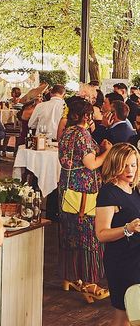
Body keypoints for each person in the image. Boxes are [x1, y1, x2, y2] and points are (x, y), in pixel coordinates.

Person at [58, 98, 111, 302]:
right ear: (86, 116)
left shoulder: (67, 133)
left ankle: (70, 276)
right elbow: (91, 164)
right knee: (88, 235)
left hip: (67, 188)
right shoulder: (82, 135)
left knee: (70, 233)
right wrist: (106, 152)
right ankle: (89, 282)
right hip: (83, 192)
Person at [96, 143, 140, 323]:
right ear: (115, 164)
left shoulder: (134, 189)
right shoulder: (108, 193)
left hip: (137, 257)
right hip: (122, 261)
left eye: (134, 164)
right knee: (123, 314)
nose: (130, 170)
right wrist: (127, 228)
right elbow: (101, 233)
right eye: (125, 165)